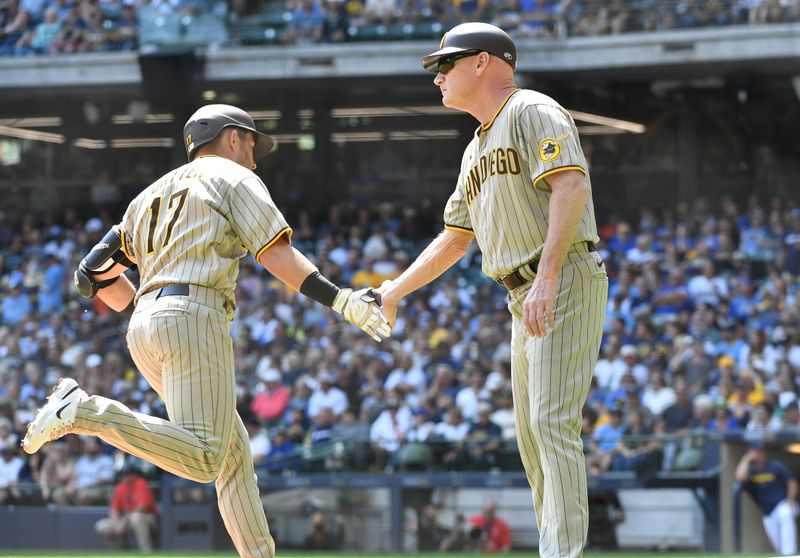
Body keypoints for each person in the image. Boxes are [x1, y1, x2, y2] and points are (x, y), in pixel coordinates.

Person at [21, 104, 391, 558]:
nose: (254, 158)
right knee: (204, 457)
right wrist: (340, 299)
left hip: (144, 322)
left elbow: (91, 274)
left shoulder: (148, 195)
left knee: (233, 455)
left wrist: (148, 306)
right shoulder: (233, 177)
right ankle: (86, 411)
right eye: (252, 144)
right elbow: (275, 255)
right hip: (193, 314)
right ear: (232, 138)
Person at [379, 24, 607, 556]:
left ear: (483, 62)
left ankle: (563, 554)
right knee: (531, 439)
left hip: (560, 274)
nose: (437, 76)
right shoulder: (474, 148)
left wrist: (547, 279)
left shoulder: (532, 109)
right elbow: (455, 240)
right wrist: (394, 291)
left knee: (551, 422)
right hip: (519, 291)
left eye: (445, 64)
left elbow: (571, 184)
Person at [735, 442, 798, 556]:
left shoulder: (775, 466)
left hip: (782, 504)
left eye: (760, 452)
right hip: (767, 512)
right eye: (755, 452)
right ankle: (787, 554)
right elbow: (740, 478)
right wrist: (746, 459)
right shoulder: (751, 470)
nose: (758, 454)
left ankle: (790, 553)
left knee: (786, 514)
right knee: (778, 546)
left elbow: (791, 482)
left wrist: (790, 500)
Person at [95, 463, 159, 552]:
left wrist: (124, 521)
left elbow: (142, 507)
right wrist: (117, 524)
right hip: (128, 519)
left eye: (127, 475)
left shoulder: (140, 483)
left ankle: (146, 551)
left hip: (147, 518)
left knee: (136, 517)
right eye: (124, 475)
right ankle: (122, 553)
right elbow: (113, 510)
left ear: (133, 475)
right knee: (102, 526)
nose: (125, 477)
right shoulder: (121, 487)